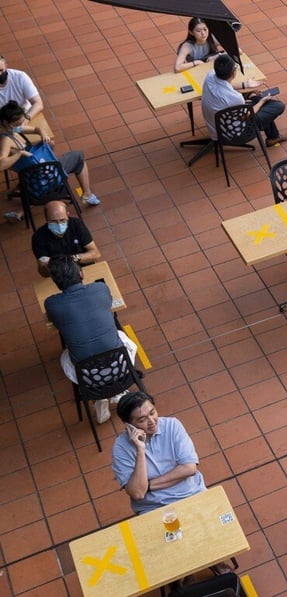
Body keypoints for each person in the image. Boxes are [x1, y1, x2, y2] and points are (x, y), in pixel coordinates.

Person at [45, 255, 138, 423]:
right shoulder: (100, 289)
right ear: (81, 274)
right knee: (121, 335)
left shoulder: (52, 304)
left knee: (65, 356)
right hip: (122, 367)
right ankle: (116, 392)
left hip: (87, 378)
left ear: (56, 283)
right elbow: (108, 303)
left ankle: (100, 398)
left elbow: (54, 321)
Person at [111, 392, 206, 515]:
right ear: (128, 426)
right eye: (142, 419)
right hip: (153, 507)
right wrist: (140, 449)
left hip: (191, 492)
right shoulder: (120, 448)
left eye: (152, 413)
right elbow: (138, 493)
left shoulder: (172, 425)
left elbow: (189, 468)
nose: (152, 421)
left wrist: (148, 486)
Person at [0, 101, 100, 213]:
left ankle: (23, 208)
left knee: (51, 145)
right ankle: (87, 194)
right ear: (6, 123)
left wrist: (42, 133)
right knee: (78, 157)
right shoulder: (6, 140)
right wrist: (20, 154)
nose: (21, 126)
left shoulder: (14, 130)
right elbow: (1, 164)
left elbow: (35, 129)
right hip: (45, 176)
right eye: (18, 124)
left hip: (33, 178)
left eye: (23, 122)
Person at [201, 54, 287, 147]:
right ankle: (273, 136)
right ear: (233, 73)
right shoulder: (235, 97)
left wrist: (245, 85)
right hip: (236, 133)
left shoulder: (210, 76)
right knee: (277, 106)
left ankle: (273, 136)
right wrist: (262, 101)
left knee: (256, 100)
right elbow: (248, 114)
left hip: (216, 127)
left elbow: (225, 86)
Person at [31, 200, 100, 277]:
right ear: (46, 219)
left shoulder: (76, 224)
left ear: (67, 215)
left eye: (62, 220)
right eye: (54, 222)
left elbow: (95, 254)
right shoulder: (39, 237)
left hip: (85, 269)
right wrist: (44, 267)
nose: (59, 225)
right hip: (61, 277)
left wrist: (73, 259)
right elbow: (43, 273)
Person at [0, 55, 43, 120]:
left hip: (25, 113)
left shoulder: (20, 77)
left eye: (1, 70)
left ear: (6, 66)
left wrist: (26, 119)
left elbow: (38, 103)